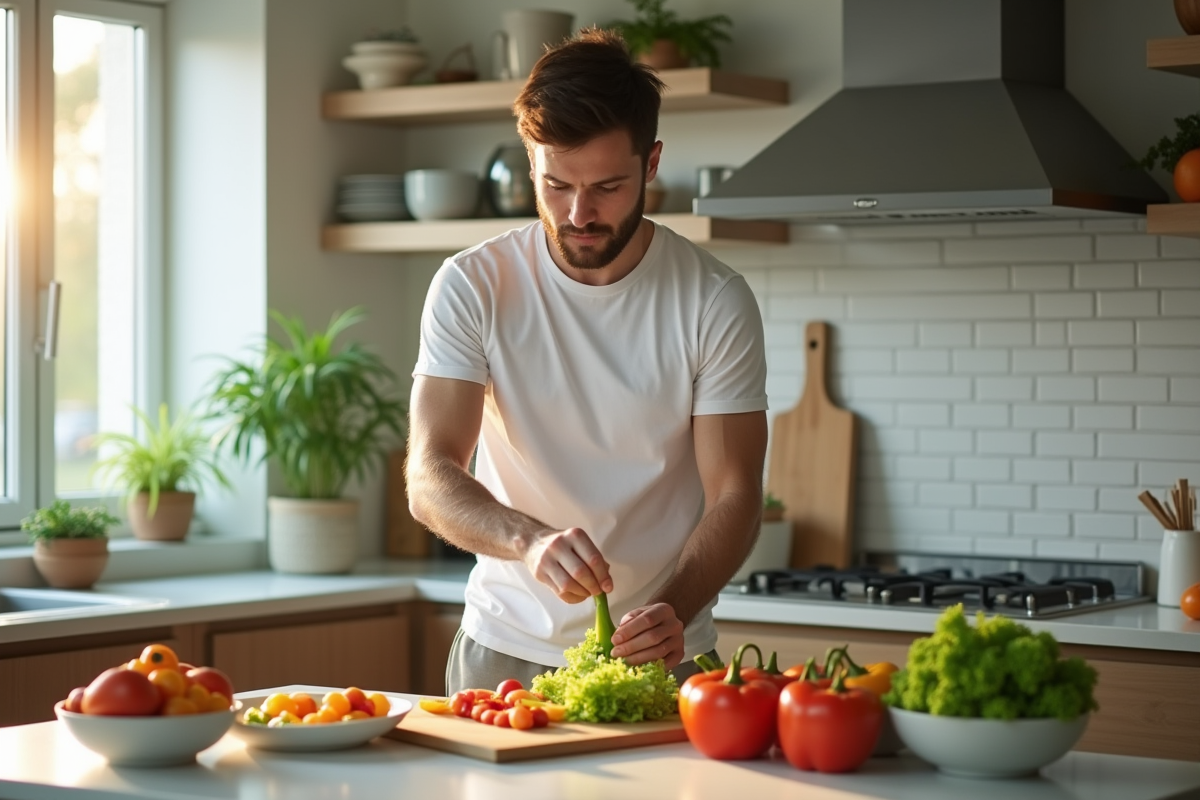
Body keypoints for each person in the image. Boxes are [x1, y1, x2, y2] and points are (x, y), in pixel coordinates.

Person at [405, 27, 768, 695]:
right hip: (504, 652)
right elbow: (429, 476)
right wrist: (527, 540)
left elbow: (737, 493)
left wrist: (676, 609)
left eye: (607, 186)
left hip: (664, 651)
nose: (579, 214)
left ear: (651, 163)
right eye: (555, 184)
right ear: (531, 163)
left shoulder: (713, 299)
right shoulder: (473, 284)